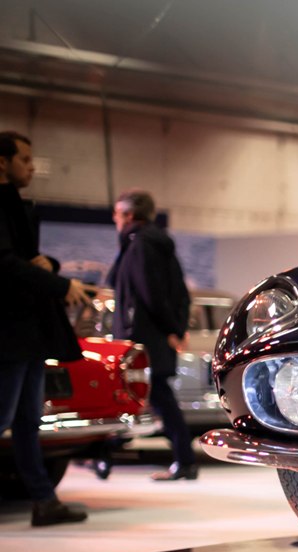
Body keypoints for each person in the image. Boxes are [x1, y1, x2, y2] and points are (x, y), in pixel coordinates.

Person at [0, 130, 93, 525]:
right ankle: (44, 500)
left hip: (27, 331)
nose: (32, 167)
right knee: (5, 417)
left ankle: (44, 501)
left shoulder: (17, 206)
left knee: (26, 421)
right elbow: (5, 263)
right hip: (9, 331)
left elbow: (25, 260)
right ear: (2, 162)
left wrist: (50, 266)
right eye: (24, 159)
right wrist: (59, 284)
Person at [108, 188, 197, 481]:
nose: (114, 219)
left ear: (129, 215)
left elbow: (151, 293)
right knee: (154, 396)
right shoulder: (151, 244)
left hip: (143, 338)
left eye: (117, 213)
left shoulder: (141, 245)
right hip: (151, 336)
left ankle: (184, 460)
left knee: (156, 396)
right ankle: (183, 460)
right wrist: (175, 328)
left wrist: (172, 329)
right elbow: (174, 291)